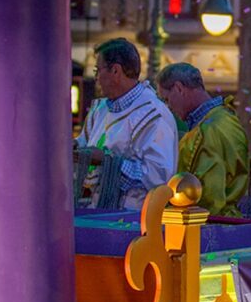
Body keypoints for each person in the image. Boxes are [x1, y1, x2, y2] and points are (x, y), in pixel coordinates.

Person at [74, 38, 178, 209]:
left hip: (131, 219)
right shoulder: (99, 109)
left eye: (97, 70)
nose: (96, 79)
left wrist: (106, 161)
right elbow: (85, 144)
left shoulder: (154, 115)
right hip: (93, 210)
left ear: (115, 71)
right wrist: (75, 148)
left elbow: (158, 178)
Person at [155, 63, 249, 217]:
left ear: (179, 88)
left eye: (167, 99)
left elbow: (208, 197)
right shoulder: (224, 117)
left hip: (209, 226)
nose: (168, 107)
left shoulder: (208, 130)